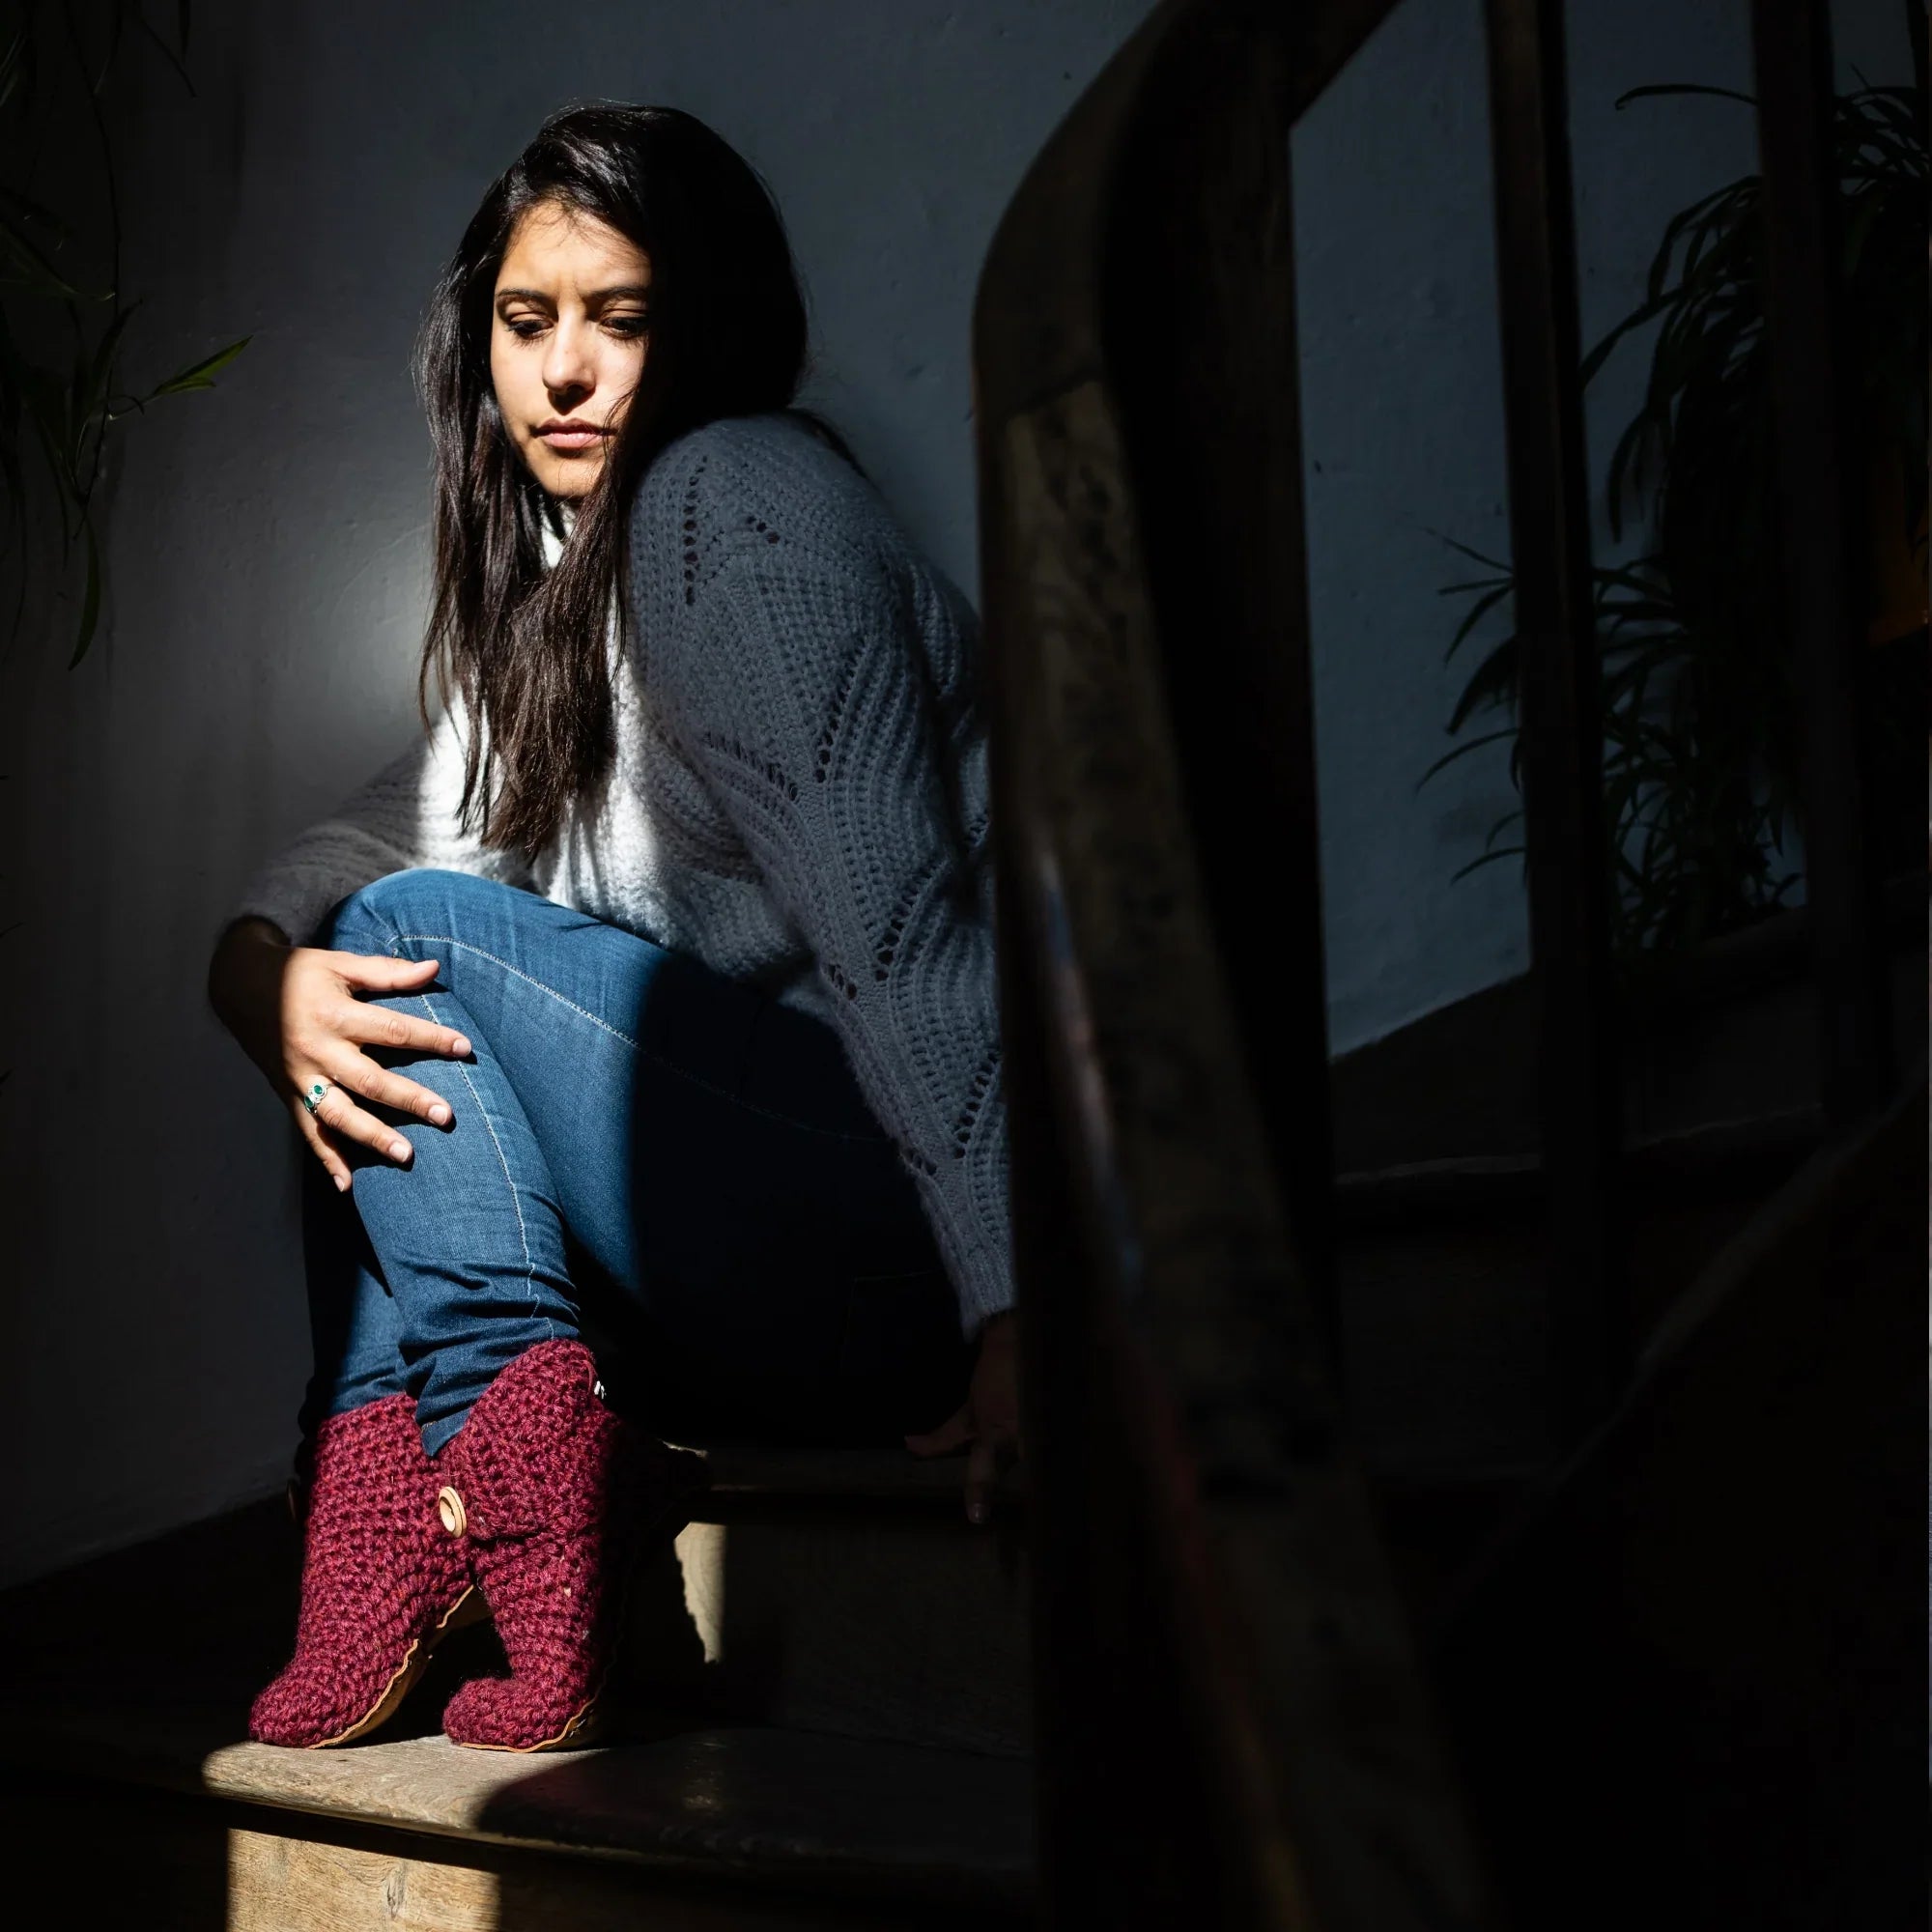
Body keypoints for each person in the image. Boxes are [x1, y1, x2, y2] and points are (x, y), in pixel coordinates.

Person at [206, 103, 1018, 1755]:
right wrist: (263, 986)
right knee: (360, 973)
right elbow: (366, 832)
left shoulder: (741, 504)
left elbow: (905, 939)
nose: (564, 373)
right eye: (527, 323)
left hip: (910, 1244)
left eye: (620, 320)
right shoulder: (563, 600)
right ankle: (432, 1504)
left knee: (405, 934)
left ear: (703, 325)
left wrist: (1022, 1307)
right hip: (772, 1279)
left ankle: (477, 1501)